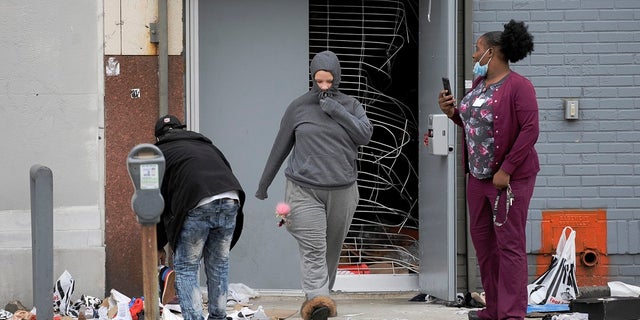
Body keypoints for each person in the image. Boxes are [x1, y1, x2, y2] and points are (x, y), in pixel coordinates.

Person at [255, 50, 373, 320]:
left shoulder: (351, 105)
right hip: (304, 188)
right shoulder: (298, 107)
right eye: (319, 81)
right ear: (312, 77)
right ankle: (317, 299)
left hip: (343, 189)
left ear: (337, 78)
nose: (324, 87)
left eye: (329, 81)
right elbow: (280, 147)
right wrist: (264, 184)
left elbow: (365, 135)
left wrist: (337, 111)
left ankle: (321, 298)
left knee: (332, 246)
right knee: (313, 247)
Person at [437, 20, 539, 320]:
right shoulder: (481, 84)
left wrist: (506, 170)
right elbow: (474, 126)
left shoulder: (519, 87)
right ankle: (494, 308)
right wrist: (453, 113)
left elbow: (530, 131)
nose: (473, 55)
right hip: (478, 179)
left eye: (477, 49)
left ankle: (512, 313)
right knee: (484, 245)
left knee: (509, 246)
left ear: (491, 53)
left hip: (507, 181)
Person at [154, 115, 245, 320]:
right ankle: (218, 316)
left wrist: (159, 244)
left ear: (159, 138)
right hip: (231, 198)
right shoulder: (208, 146)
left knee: (186, 267)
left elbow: (157, 200)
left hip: (196, 203)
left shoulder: (160, 153)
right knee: (219, 264)